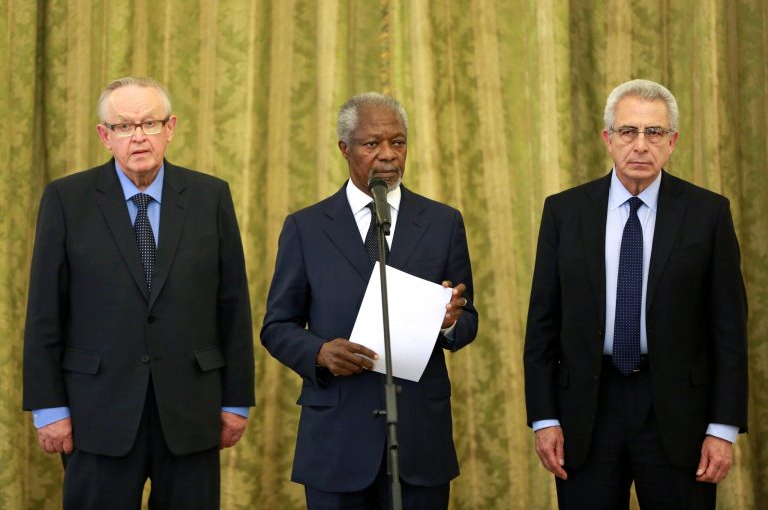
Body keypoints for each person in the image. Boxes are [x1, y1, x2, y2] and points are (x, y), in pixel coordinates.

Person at [22, 76, 255, 510]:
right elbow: (44, 313)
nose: (138, 137)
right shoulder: (66, 200)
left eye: (149, 123)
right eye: (124, 126)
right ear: (104, 135)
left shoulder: (211, 196)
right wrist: (49, 409)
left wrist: (236, 401)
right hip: (96, 413)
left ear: (171, 128)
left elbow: (234, 306)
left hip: (190, 411)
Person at [523, 79, 748, 509]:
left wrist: (722, 428)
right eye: (628, 132)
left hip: (679, 413)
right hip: (587, 410)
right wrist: (545, 418)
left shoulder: (708, 214)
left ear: (672, 141)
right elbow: (542, 325)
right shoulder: (564, 212)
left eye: (654, 133)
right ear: (608, 139)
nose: (640, 145)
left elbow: (729, 331)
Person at [261, 92, 478, 509]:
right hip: (336, 440)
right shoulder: (305, 228)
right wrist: (320, 352)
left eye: (397, 143)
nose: (387, 156)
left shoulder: (442, 222)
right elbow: (276, 326)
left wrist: (451, 320)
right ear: (344, 149)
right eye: (371, 144)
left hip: (418, 438)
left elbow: (467, 320)